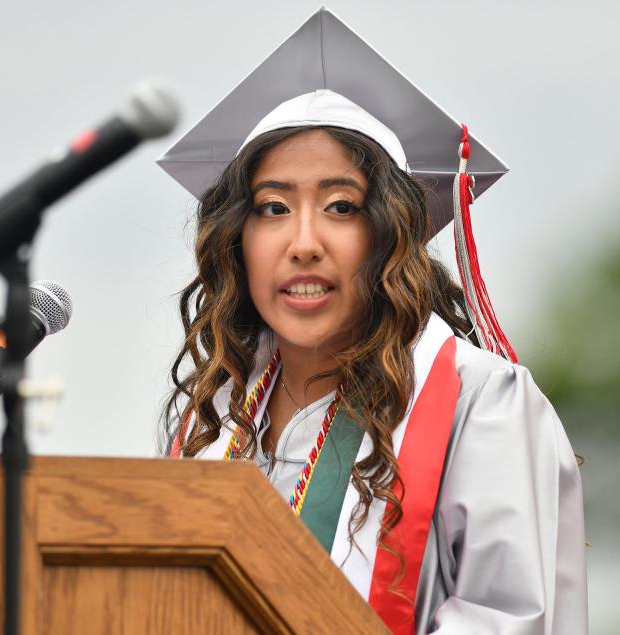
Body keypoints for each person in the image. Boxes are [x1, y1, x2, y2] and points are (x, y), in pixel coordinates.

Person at [158, 8, 587, 634]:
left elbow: (511, 619)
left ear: (390, 233)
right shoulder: (212, 415)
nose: (303, 242)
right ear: (236, 239)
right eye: (273, 207)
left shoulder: (481, 404)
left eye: (341, 206)